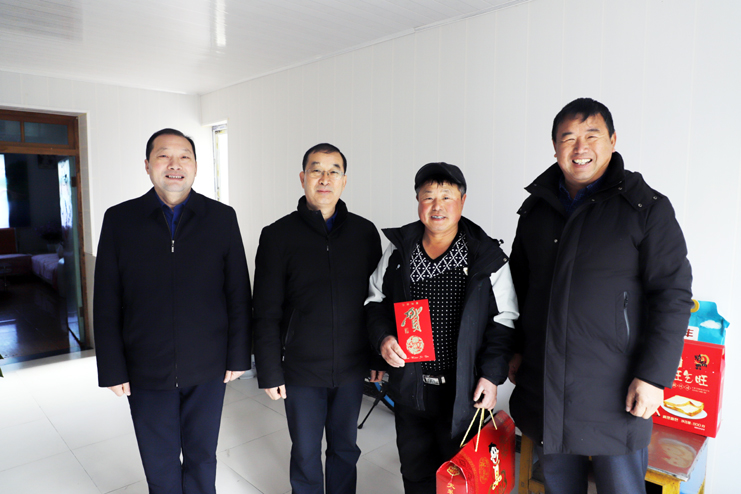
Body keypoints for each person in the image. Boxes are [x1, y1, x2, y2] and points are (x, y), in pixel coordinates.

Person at [508, 98, 693, 494]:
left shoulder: (646, 209)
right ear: (555, 147)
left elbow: (672, 296)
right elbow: (519, 288)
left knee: (622, 488)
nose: (580, 148)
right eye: (568, 138)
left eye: (591, 135)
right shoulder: (536, 211)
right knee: (559, 486)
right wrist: (516, 348)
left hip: (617, 389)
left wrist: (654, 376)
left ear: (612, 140)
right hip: (547, 383)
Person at [94, 128, 251, 494]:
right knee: (158, 459)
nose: (174, 164)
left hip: (209, 365)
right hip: (145, 366)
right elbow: (106, 299)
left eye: (184, 156)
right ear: (147, 165)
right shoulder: (120, 219)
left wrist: (239, 355)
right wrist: (112, 367)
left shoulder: (221, 217)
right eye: (164, 155)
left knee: (202, 455)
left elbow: (238, 293)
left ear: (196, 166)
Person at [365, 163, 518, 494]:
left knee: (461, 477)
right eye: (428, 196)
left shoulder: (486, 255)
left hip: (464, 391)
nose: (437, 206)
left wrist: (491, 376)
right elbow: (375, 302)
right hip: (411, 386)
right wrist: (383, 339)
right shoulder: (399, 250)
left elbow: (504, 320)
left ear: (462, 201)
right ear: (417, 201)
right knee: (415, 471)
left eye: (447, 196)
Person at [252, 143, 382, 494]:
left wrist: (375, 357)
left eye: (333, 171)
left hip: (352, 366)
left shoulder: (365, 232)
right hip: (300, 368)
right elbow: (265, 309)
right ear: (302, 178)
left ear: (344, 181)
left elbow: (376, 301)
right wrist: (269, 370)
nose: (325, 179)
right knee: (306, 451)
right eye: (316, 170)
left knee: (345, 448)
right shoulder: (277, 235)